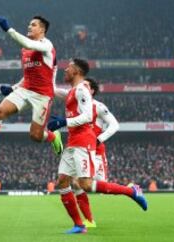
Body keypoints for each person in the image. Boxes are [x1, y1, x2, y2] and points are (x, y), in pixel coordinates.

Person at [47, 58, 147, 234]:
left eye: (67, 68)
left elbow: (86, 117)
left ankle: (130, 191)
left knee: (85, 184)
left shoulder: (82, 90)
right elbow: (51, 89)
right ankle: (80, 225)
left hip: (84, 142)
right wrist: (53, 67)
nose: (65, 70)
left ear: (76, 71)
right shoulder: (72, 91)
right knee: (63, 182)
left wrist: (64, 122)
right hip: (73, 142)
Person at [0, 16, 63, 160]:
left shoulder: (47, 45)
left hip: (42, 96)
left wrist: (8, 29)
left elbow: (29, 44)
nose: (29, 27)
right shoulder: (25, 50)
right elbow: (28, 75)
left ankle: (53, 136)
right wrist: (13, 88)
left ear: (42, 29)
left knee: (35, 136)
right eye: (29, 24)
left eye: (33, 25)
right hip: (24, 90)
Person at [54, 77, 120, 228]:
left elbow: (115, 125)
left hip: (96, 152)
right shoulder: (78, 102)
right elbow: (58, 91)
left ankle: (130, 189)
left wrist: (100, 139)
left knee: (98, 185)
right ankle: (89, 221)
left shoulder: (98, 106)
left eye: (86, 85)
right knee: (76, 183)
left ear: (92, 91)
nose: (82, 87)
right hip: (82, 148)